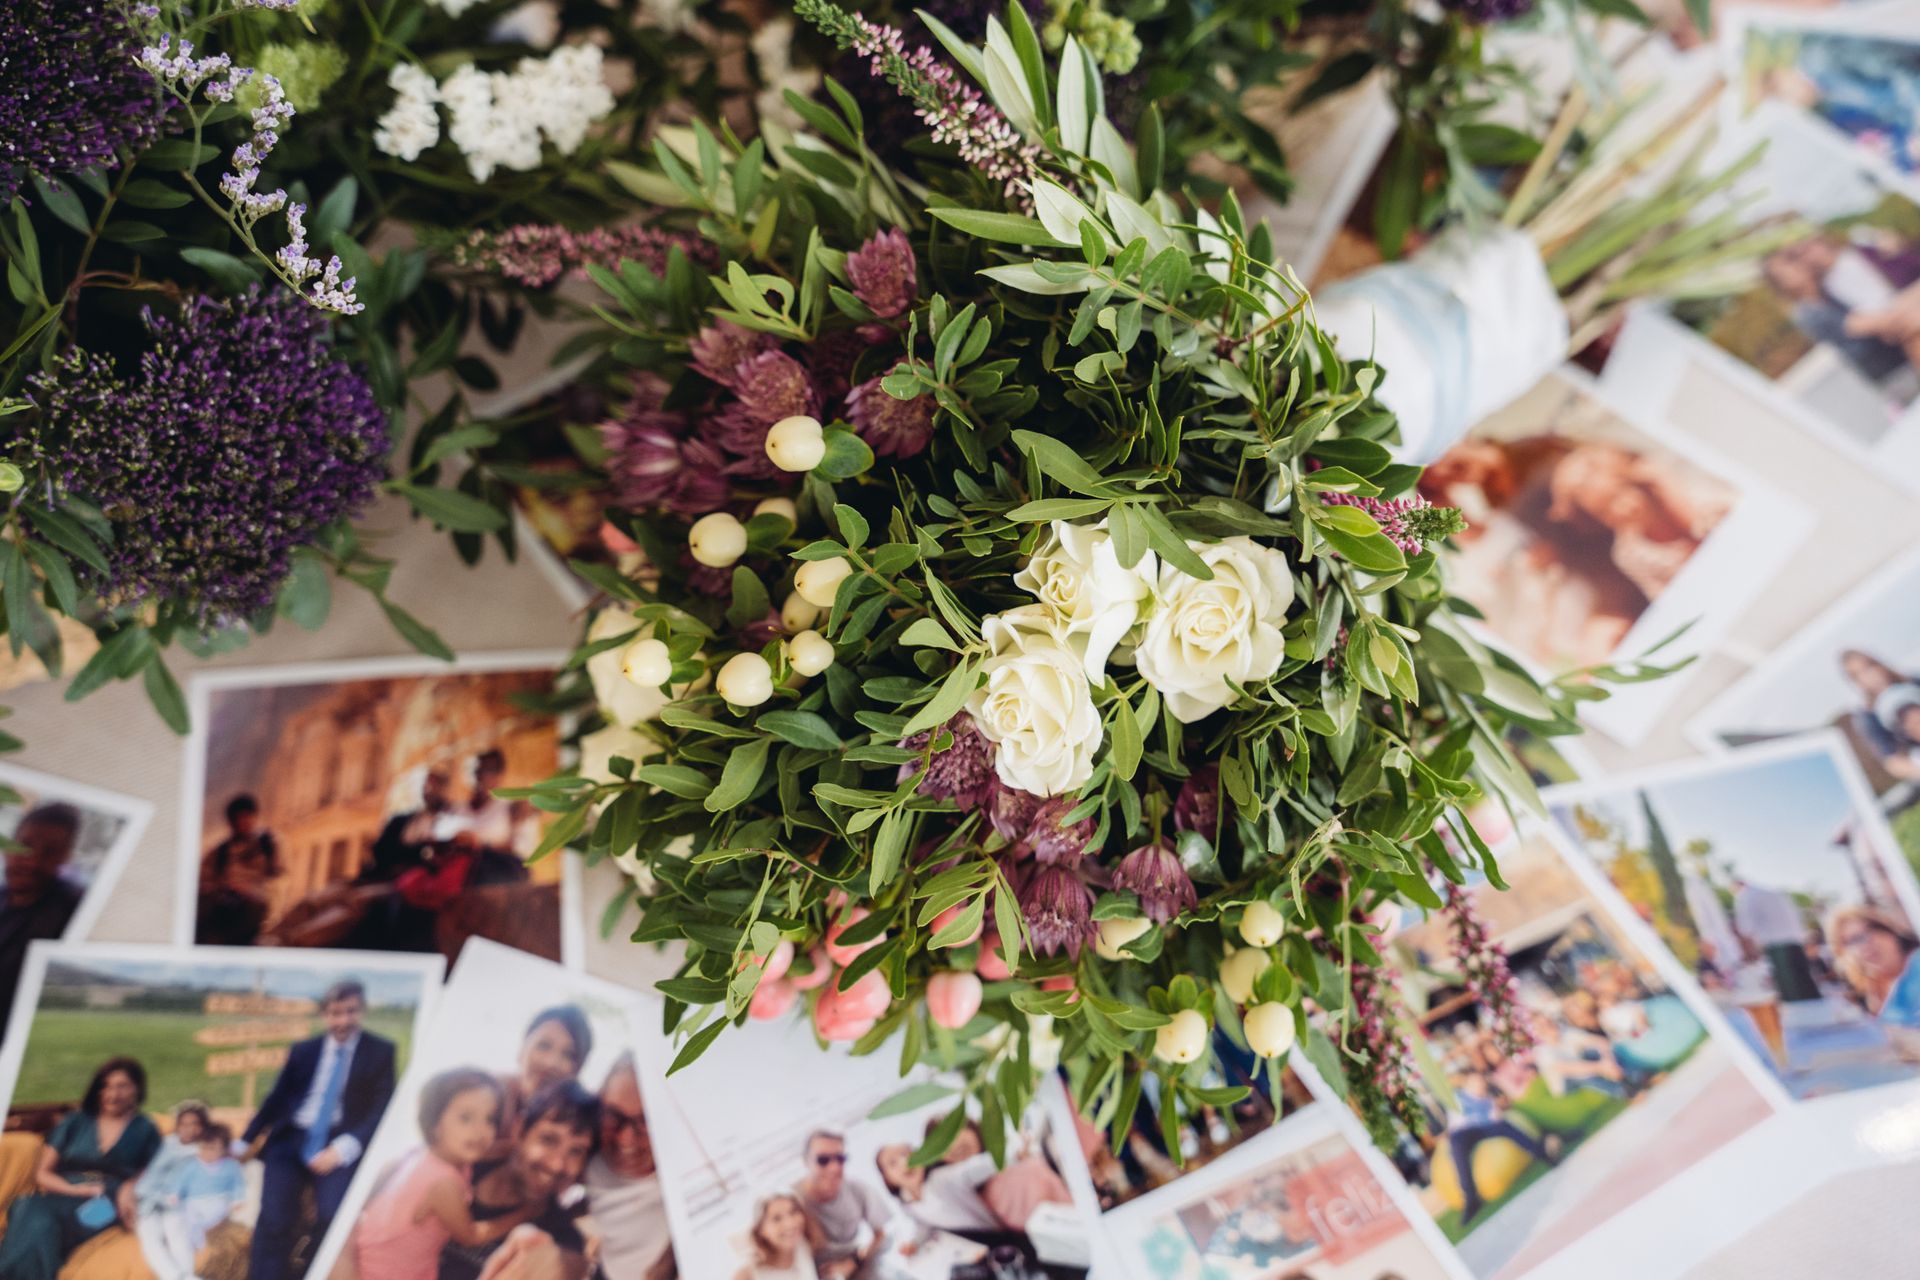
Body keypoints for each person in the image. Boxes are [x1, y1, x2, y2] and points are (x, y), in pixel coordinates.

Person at [244, 979, 398, 1280]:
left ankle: (312, 1271)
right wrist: (245, 1140)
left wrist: (343, 1149)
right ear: (324, 1015)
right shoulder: (304, 1050)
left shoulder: (380, 1051)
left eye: (351, 1012)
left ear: (362, 1011)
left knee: (333, 1217)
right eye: (335, 1013)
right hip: (293, 1139)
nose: (343, 1021)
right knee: (274, 1218)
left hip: (341, 1138)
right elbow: (276, 1099)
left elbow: (381, 1109)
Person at [353, 1069, 534, 1280]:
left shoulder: (426, 1155)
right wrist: (525, 1213)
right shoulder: (443, 1182)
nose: (480, 1130)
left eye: (490, 1120)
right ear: (435, 1122)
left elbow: (496, 1149)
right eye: (466, 1118)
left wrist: (518, 1147)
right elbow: (470, 1235)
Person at [0, 1057, 163, 1280]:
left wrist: (129, 1185)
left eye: (122, 1086)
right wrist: (76, 1190)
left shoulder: (145, 1128)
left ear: (137, 1089)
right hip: (62, 1194)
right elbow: (42, 1173)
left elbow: (156, 1171)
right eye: (106, 1086)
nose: (112, 1094)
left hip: (107, 1204)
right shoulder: (75, 1121)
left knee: (36, 1221)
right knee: (27, 1206)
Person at [439, 1079, 600, 1280]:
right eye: (548, 1139)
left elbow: (570, 1263)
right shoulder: (459, 1170)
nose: (557, 1164)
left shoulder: (560, 1234)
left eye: (576, 1152)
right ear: (520, 1130)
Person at [581, 1055, 675, 1280]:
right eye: (613, 1115)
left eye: (645, 1122)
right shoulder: (581, 1155)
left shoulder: (685, 1176)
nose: (625, 1138)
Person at [0, 803, 84, 1030]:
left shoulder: (76, 912)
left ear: (65, 857)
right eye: (25, 845)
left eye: (50, 851)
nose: (32, 861)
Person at [1444, 1073, 1556, 1226]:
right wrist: (1487, 1111)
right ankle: (1470, 1198)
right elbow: (1461, 1121)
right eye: (1476, 1082)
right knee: (1457, 1144)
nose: (1479, 1085)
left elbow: (1494, 1118)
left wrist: (1492, 1107)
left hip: (1485, 1128)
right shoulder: (1458, 1098)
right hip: (1465, 1132)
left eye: (1481, 1082)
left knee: (1505, 1126)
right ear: (1467, 1084)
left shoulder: (1488, 1100)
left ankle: (1542, 1153)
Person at [486, 1006, 593, 1163]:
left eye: (568, 1055)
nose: (551, 1063)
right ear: (522, 1049)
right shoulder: (485, 1093)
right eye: (544, 1046)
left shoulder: (577, 1122)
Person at [140, 1122, 246, 1280]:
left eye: (212, 1148)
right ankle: (186, 1261)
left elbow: (238, 1185)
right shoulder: (193, 1165)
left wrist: (237, 1199)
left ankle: (196, 1243)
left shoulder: (230, 1166)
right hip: (193, 1201)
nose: (207, 1153)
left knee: (207, 1216)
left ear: (224, 1150)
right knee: (182, 1219)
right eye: (204, 1148)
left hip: (218, 1201)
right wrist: (175, 1194)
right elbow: (181, 1182)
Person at [792, 1131, 888, 1280]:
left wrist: (853, 1262)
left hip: (856, 1265)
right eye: (823, 1160)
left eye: (840, 1158)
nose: (834, 1167)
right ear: (806, 1161)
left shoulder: (858, 1190)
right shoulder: (791, 1200)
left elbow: (882, 1233)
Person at [131, 1101, 211, 1273]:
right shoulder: (168, 1144)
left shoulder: (202, 1150)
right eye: (184, 1124)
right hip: (148, 1198)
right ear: (177, 1126)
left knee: (176, 1235)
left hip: (176, 1202)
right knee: (150, 1238)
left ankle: (185, 1275)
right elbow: (152, 1171)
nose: (189, 1129)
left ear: (203, 1127)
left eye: (195, 1124)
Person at [197, 794, 282, 945]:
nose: (243, 823)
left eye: (247, 817)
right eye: (238, 818)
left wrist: (251, 892)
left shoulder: (268, 846)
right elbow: (204, 881)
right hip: (225, 904)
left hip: (257, 906)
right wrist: (221, 888)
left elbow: (280, 881)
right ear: (231, 821)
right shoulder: (220, 851)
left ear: (254, 817)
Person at [1827, 904, 1920, 1038]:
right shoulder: (1873, 986)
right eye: (1852, 941)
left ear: (1890, 932)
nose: (1864, 945)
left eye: (1868, 932)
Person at [872, 1142, 1000, 1236]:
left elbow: (981, 1165)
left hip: (990, 1235)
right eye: (892, 1163)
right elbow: (922, 1225)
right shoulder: (905, 1202)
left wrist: (1015, 1150)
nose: (904, 1163)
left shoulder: (942, 1178)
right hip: (961, 1247)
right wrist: (914, 1243)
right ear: (887, 1179)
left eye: (906, 1154)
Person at [1732, 878, 1821, 1002]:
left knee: (1792, 991)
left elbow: (1745, 929)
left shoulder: (1745, 896)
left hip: (1778, 947)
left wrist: (1748, 953)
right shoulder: (1774, 893)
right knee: (1806, 986)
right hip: (1796, 943)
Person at [733, 1194, 819, 1280]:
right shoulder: (748, 1275)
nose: (790, 1224)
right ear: (760, 1230)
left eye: (793, 1212)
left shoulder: (803, 1244)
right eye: (776, 1218)